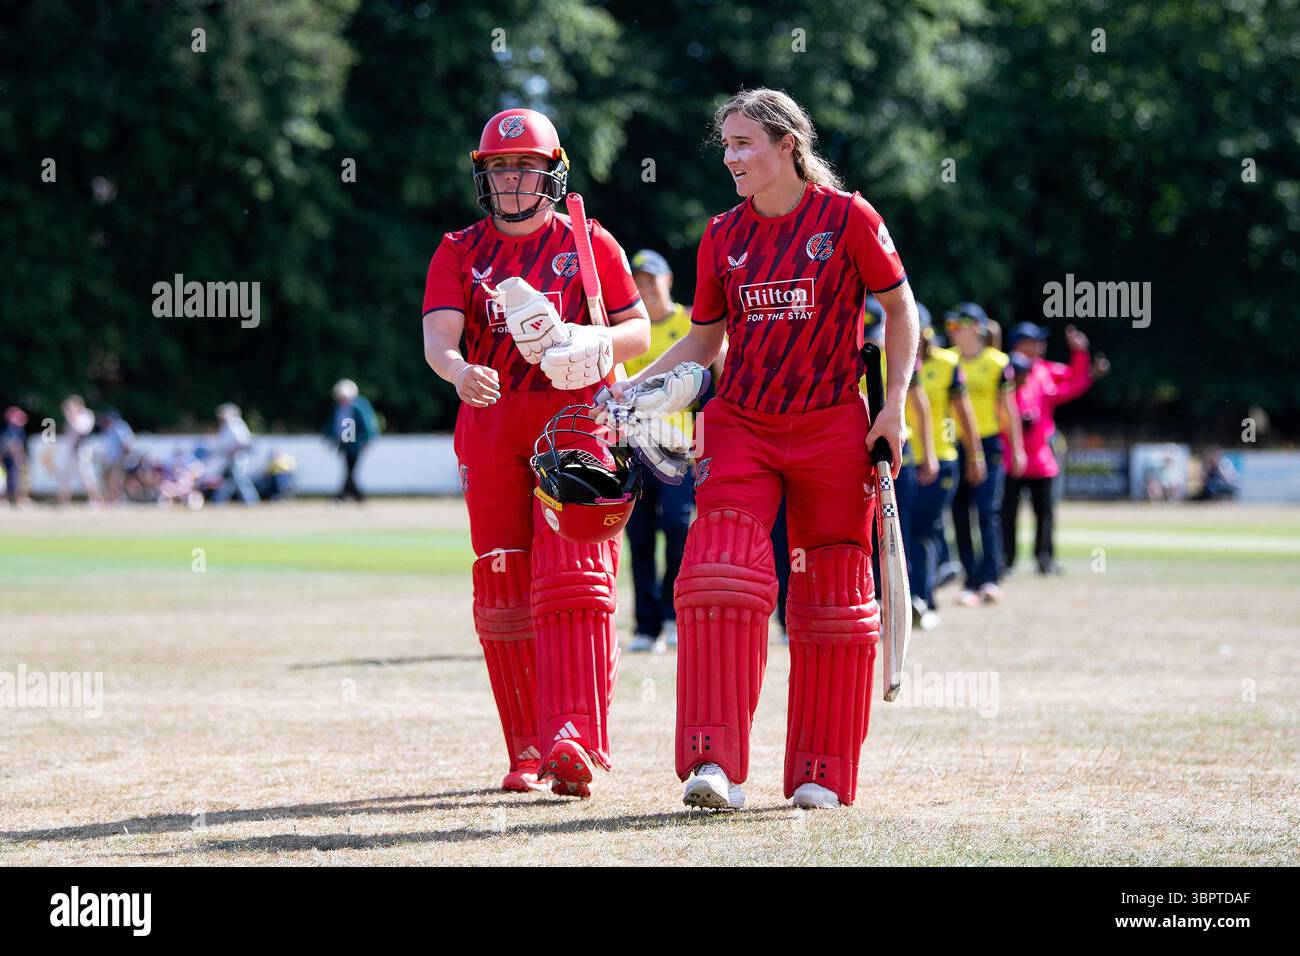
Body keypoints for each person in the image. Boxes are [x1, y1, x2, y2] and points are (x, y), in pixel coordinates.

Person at [606, 88, 919, 811]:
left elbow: (900, 308)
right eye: (726, 145)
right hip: (741, 424)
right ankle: (713, 766)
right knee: (715, 578)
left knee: (833, 602)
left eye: (744, 143)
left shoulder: (847, 218)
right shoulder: (721, 233)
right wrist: (628, 391)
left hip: (834, 427)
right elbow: (704, 338)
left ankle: (822, 773)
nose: (732, 157)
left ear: (788, 144)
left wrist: (895, 407)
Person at [421, 107, 650, 798]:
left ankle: (573, 736)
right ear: (482, 175)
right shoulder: (458, 249)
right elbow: (439, 338)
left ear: (553, 173)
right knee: (502, 585)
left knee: (576, 575)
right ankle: (525, 749)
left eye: (524, 167)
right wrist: (460, 372)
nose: (512, 180)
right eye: (498, 168)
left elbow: (638, 328)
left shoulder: (588, 241)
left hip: (574, 419)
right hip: (491, 423)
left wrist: (596, 342)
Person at [621, 249, 721, 654]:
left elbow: (716, 388)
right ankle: (646, 627)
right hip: (631, 447)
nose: (645, 288)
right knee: (639, 535)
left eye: (651, 280)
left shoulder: (690, 324)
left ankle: (672, 613)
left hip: (680, 450)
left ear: (668, 280)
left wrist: (705, 444)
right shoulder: (627, 327)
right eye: (638, 281)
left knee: (678, 529)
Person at [906, 305, 983, 629]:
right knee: (905, 532)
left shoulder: (948, 364)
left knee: (924, 530)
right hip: (904, 459)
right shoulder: (890, 358)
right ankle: (907, 598)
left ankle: (925, 599)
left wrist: (976, 454)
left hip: (941, 458)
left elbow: (964, 412)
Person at [945, 305, 1025, 606]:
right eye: (951, 323)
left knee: (987, 510)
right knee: (959, 512)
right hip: (954, 443)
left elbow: (1009, 407)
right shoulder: (948, 361)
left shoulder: (998, 362)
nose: (954, 329)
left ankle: (991, 577)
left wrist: (1016, 448)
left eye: (960, 323)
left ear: (977, 327)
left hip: (988, 443)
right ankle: (970, 578)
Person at [1002, 322, 1094, 574]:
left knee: (1045, 514)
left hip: (1042, 458)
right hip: (1011, 457)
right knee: (1006, 513)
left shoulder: (1043, 371)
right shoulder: (1004, 370)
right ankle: (1005, 560)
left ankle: (1045, 559)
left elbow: (1075, 380)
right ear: (1019, 343)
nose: (1041, 345)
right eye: (1035, 340)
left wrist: (1080, 353)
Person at [325, 379, 380, 503]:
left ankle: (344, 495)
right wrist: (330, 438)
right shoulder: (337, 407)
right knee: (349, 470)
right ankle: (356, 496)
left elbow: (368, 425)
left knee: (350, 470)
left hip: (356, 443)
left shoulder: (359, 406)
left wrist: (366, 441)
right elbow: (333, 424)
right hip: (343, 443)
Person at [55, 395, 101, 506]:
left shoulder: (86, 415)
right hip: (72, 450)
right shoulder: (72, 418)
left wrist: (72, 417)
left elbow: (83, 430)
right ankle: (62, 502)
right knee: (66, 476)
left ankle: (97, 501)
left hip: (83, 450)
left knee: (86, 476)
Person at [211, 403, 259, 505]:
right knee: (228, 481)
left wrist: (231, 452)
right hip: (230, 458)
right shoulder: (226, 425)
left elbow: (242, 442)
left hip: (236, 458)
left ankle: (251, 501)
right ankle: (218, 502)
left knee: (240, 480)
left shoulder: (234, 424)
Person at [98, 408, 136, 505]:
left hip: (118, 459)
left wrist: (121, 458)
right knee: (109, 480)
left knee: (115, 480)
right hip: (111, 460)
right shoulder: (110, 429)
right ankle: (112, 500)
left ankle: (117, 500)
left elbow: (126, 445)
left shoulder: (119, 427)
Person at [2, 407, 30, 507]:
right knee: (13, 479)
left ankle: (15, 500)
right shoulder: (13, 429)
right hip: (11, 459)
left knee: (15, 479)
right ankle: (16, 500)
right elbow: (13, 445)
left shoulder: (16, 428)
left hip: (10, 458)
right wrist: (18, 458)